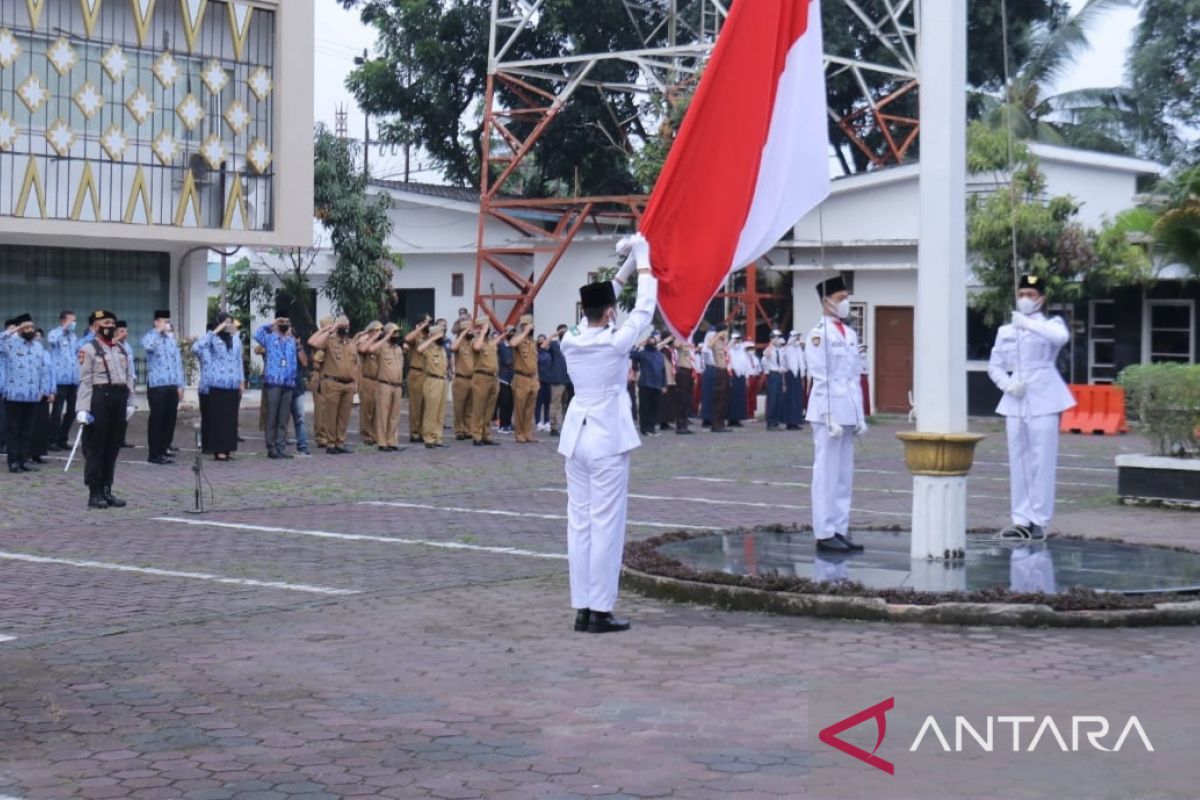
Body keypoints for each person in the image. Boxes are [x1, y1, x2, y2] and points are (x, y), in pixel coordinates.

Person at [559, 234, 657, 634]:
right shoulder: (616, 341)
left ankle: (582, 607)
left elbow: (601, 303)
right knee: (606, 525)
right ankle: (600, 609)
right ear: (611, 313)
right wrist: (645, 258)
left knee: (579, 524)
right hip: (606, 438)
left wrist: (629, 264)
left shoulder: (571, 339)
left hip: (576, 437)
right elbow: (645, 307)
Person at [987, 274, 1076, 540]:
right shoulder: (1006, 330)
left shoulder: (1051, 324)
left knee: (1042, 460)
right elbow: (995, 366)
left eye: (1031, 295)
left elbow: (1060, 338)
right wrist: (1007, 385)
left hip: (1045, 396)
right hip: (1017, 398)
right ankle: (1021, 519)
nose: (1025, 299)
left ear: (1042, 299)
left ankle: (1039, 519)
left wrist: (1028, 323)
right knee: (1019, 461)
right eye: (1022, 293)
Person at [806, 276, 868, 554]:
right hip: (826, 413)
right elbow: (822, 377)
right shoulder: (818, 334)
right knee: (826, 474)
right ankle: (824, 531)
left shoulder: (850, 334)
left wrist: (860, 415)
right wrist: (830, 414)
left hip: (847, 411)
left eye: (846, 297)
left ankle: (839, 529)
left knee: (844, 475)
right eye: (841, 298)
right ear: (826, 301)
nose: (846, 303)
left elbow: (853, 376)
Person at [75, 310, 135, 508]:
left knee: (112, 446)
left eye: (112, 323)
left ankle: (107, 489)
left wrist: (131, 402)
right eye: (105, 323)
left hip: (118, 397)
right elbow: (85, 381)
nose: (110, 326)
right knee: (96, 447)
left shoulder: (121, 349)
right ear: (94, 327)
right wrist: (82, 408)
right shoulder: (88, 349)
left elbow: (129, 378)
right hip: (99, 398)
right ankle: (95, 492)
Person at [1, 315, 54, 473]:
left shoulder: (37, 346)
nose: (30, 330)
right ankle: (13, 463)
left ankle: (23, 461)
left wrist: (44, 390)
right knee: (13, 430)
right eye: (26, 327)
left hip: (32, 396)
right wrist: (15, 329)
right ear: (19, 328)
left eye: (31, 327)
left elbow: (43, 370)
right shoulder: (10, 343)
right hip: (14, 395)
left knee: (27, 430)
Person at [193, 313, 245, 462]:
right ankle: (218, 451)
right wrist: (215, 331)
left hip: (232, 384)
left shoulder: (236, 340)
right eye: (226, 323)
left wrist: (241, 381)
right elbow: (196, 347)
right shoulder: (212, 340)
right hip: (217, 384)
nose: (229, 325)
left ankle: (227, 449)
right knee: (218, 419)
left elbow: (238, 361)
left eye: (231, 322)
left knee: (230, 419)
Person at [309, 316, 359, 454]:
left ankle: (340, 442)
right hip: (333, 383)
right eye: (342, 325)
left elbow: (355, 366)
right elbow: (313, 342)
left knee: (344, 416)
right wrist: (332, 328)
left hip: (348, 385)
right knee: (331, 415)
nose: (345, 328)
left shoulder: (352, 344)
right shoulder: (329, 341)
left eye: (346, 325)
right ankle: (330, 443)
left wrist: (355, 383)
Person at [141, 310, 184, 465]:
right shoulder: (151, 336)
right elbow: (147, 346)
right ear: (156, 322)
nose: (167, 324)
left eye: (168, 321)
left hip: (172, 384)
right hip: (157, 384)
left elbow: (177, 363)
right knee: (157, 419)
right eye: (164, 321)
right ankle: (154, 453)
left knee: (170, 419)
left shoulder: (171, 340)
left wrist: (180, 385)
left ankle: (164, 448)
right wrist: (158, 330)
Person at [255, 314, 300, 459]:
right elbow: (257, 334)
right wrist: (273, 323)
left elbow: (294, 361)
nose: (285, 324)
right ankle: (271, 447)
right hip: (273, 383)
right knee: (272, 416)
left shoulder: (291, 341)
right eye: (283, 322)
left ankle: (281, 447)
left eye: (287, 322)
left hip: (288, 383)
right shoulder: (270, 338)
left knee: (283, 418)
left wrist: (293, 379)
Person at [366, 322, 406, 451]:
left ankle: (392, 441)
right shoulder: (382, 347)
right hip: (385, 385)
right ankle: (382, 442)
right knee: (383, 414)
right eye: (394, 333)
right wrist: (384, 337)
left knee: (394, 415)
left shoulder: (398, 349)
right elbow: (370, 349)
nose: (397, 335)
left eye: (398, 333)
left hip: (397, 385)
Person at [46, 310, 79, 450]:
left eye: (74, 321)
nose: (73, 323)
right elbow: (51, 340)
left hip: (73, 380)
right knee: (57, 411)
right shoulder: (55, 333)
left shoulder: (74, 337)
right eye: (71, 320)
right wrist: (64, 328)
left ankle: (62, 438)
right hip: (59, 380)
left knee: (72, 411)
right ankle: (52, 439)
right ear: (63, 320)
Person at [417, 322, 449, 449]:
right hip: (432, 381)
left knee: (440, 412)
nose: (443, 336)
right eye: (440, 334)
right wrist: (431, 338)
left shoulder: (442, 348)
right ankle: (428, 437)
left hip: (442, 381)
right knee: (431, 411)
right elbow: (419, 349)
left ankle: (437, 437)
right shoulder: (428, 347)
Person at [470, 318, 501, 447]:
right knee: (479, 408)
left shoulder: (490, 342)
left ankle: (486, 435)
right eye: (485, 326)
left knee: (489, 409)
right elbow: (477, 347)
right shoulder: (476, 340)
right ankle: (476, 436)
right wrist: (481, 332)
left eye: (488, 326)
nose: (488, 328)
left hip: (493, 378)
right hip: (481, 378)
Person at [510, 315, 539, 443]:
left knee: (529, 408)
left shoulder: (533, 342)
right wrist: (525, 332)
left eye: (532, 325)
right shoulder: (518, 339)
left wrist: (537, 380)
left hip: (532, 378)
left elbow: (535, 362)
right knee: (520, 408)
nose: (532, 327)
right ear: (522, 326)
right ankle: (519, 433)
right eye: (528, 325)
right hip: (521, 378)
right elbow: (512, 343)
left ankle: (527, 433)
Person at [630, 332, 666, 436]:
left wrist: (664, 385)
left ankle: (652, 428)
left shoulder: (659, 355)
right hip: (646, 383)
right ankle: (645, 429)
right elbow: (631, 354)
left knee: (654, 408)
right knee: (645, 407)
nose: (651, 342)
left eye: (653, 340)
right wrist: (639, 344)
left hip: (657, 384)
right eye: (649, 341)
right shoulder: (642, 353)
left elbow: (663, 371)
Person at [404, 315, 432, 444]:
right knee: (416, 405)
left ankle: (422, 432)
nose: (428, 325)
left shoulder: (429, 337)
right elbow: (407, 338)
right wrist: (419, 328)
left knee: (426, 406)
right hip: (416, 373)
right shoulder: (415, 336)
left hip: (427, 374)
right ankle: (414, 433)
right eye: (425, 322)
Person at [356, 320, 384, 447]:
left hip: (379, 380)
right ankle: (367, 434)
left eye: (381, 330)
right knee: (367, 409)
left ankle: (375, 434)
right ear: (371, 331)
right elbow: (362, 348)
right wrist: (372, 337)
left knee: (377, 409)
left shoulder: (380, 344)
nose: (380, 333)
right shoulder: (365, 341)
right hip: (367, 379)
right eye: (377, 330)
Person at [451, 325, 475, 440]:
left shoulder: (473, 343)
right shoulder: (459, 342)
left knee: (470, 407)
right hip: (461, 378)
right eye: (468, 330)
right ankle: (459, 430)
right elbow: (453, 347)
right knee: (459, 407)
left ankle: (468, 429)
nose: (471, 332)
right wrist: (462, 333)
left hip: (473, 379)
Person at [546, 325, 570, 436]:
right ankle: (554, 427)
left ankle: (566, 425)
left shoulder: (570, 344)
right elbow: (543, 346)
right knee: (555, 403)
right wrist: (553, 335)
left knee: (566, 404)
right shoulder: (554, 345)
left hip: (569, 378)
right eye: (562, 332)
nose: (564, 334)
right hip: (557, 378)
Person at [762, 330, 786, 431]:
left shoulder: (780, 350)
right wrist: (771, 343)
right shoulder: (769, 349)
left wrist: (784, 382)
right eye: (776, 337)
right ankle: (770, 422)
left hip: (780, 374)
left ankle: (776, 421)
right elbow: (765, 355)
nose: (778, 339)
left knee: (779, 399)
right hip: (772, 374)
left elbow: (783, 364)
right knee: (772, 399)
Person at [290, 339, 311, 456]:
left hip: (298, 387)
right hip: (284, 387)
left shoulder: (297, 346)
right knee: (281, 419)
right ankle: (279, 446)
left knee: (300, 418)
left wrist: (298, 345)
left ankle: (302, 445)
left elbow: (304, 362)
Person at [783, 331, 807, 430]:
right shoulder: (787, 349)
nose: (797, 339)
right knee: (791, 399)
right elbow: (784, 361)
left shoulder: (798, 349)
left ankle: (796, 421)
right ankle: (790, 422)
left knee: (797, 399)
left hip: (797, 376)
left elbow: (802, 362)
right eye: (795, 337)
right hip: (790, 374)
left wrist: (802, 376)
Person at [710, 327, 731, 433]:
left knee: (724, 398)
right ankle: (715, 424)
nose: (726, 334)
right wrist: (718, 334)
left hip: (725, 370)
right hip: (719, 370)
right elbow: (708, 345)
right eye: (725, 331)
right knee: (718, 398)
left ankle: (721, 423)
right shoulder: (715, 341)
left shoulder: (724, 343)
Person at [672, 335, 695, 434]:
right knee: (682, 398)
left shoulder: (690, 341)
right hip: (683, 371)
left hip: (690, 371)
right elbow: (675, 345)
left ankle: (684, 423)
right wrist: (681, 336)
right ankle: (680, 425)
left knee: (687, 399)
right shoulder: (681, 339)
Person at [496, 329, 515, 434]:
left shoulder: (515, 346)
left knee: (512, 402)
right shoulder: (501, 345)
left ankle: (508, 423)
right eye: (509, 332)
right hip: (504, 377)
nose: (511, 334)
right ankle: (502, 424)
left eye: (513, 332)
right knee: (504, 402)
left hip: (514, 376)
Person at [535, 334, 552, 432]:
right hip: (539, 379)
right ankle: (538, 421)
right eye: (539, 340)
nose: (541, 341)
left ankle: (547, 421)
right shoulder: (537, 352)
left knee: (547, 402)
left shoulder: (549, 352)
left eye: (543, 340)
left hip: (548, 379)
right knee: (538, 402)